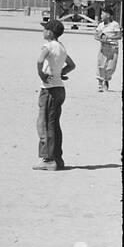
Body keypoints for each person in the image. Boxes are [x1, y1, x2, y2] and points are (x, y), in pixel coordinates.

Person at [35, 19, 74, 170]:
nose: (43, 31)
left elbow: (39, 60)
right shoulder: (61, 47)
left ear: (50, 32)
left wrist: (42, 75)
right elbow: (71, 65)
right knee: (54, 124)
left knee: (45, 124)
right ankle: (58, 158)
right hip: (59, 88)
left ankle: (49, 159)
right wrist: (61, 73)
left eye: (45, 29)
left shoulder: (49, 46)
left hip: (49, 89)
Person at [95, 9, 121, 92]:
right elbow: (96, 35)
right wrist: (100, 38)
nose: (101, 16)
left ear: (108, 15)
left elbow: (119, 36)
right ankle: (100, 83)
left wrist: (108, 37)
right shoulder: (100, 25)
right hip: (103, 47)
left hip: (113, 48)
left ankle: (106, 80)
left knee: (111, 67)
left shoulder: (115, 25)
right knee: (101, 64)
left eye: (102, 14)